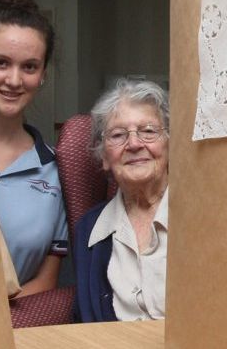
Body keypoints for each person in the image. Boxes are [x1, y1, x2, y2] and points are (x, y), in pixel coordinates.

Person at [0, 0, 68, 297]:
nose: (14, 80)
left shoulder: (57, 170)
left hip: (17, 332)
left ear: (43, 75)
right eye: (1, 63)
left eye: (29, 67)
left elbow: (45, 283)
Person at [73, 78, 170, 322]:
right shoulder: (88, 231)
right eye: (118, 135)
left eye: (148, 131)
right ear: (104, 156)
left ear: (170, 145)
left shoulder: (204, 215)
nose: (134, 144)